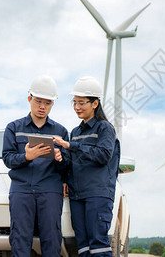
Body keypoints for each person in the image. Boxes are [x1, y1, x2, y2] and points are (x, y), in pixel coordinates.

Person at [2, 75, 69, 257]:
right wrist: (26, 156)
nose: (42, 107)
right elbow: (8, 159)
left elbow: (66, 167)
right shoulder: (13, 128)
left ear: (52, 104)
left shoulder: (61, 132)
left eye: (47, 103)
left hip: (50, 190)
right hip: (21, 190)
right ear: (29, 99)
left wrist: (60, 159)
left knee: (52, 239)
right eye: (38, 101)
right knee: (20, 239)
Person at [54, 76, 120, 257]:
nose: (77, 107)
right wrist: (61, 161)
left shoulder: (104, 128)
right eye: (74, 103)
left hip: (97, 194)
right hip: (77, 195)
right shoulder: (75, 132)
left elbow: (103, 155)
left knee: (98, 244)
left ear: (95, 103)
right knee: (82, 246)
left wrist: (71, 146)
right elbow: (72, 162)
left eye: (81, 103)